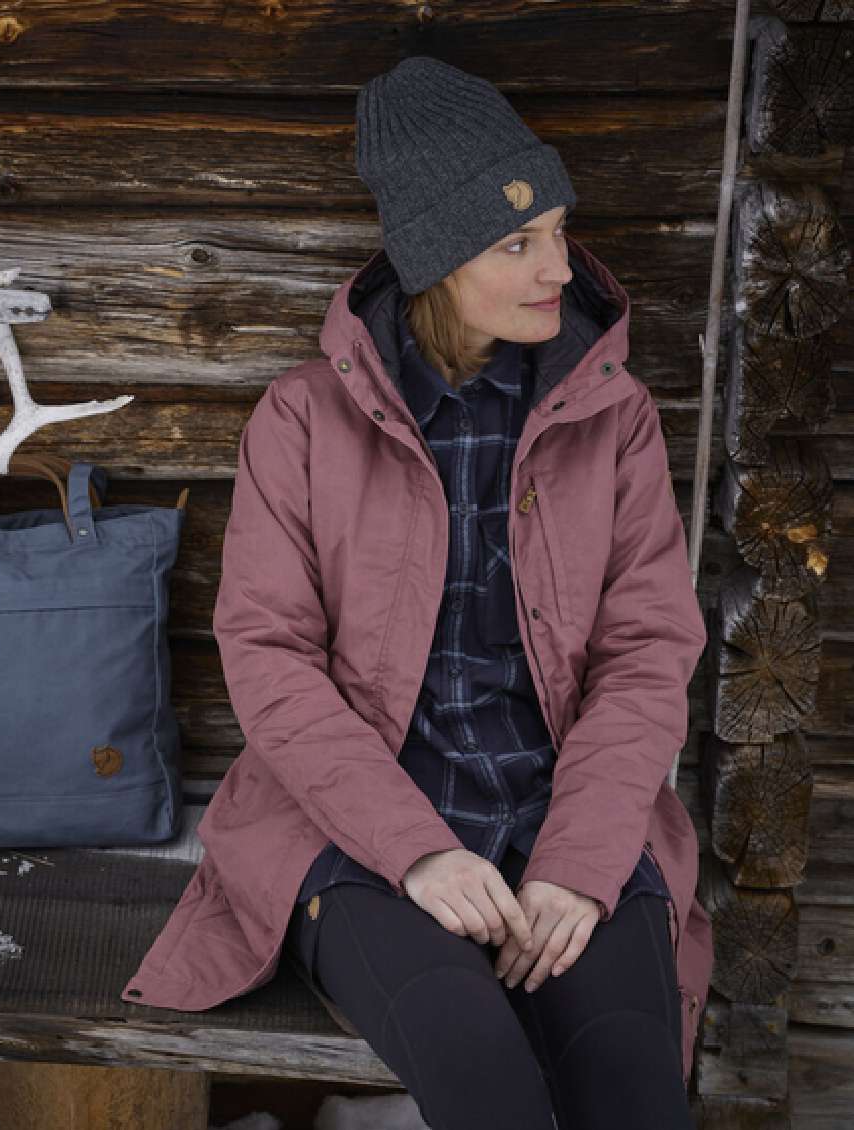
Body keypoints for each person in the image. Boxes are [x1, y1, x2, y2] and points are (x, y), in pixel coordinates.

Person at [121, 57, 710, 1130]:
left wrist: (579, 865)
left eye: (558, 231)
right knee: (485, 1080)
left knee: (633, 1085)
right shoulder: (302, 421)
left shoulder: (614, 417)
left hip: (565, 812)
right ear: (438, 260)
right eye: (517, 243)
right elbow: (268, 653)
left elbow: (648, 648)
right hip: (356, 826)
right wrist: (418, 848)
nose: (558, 268)